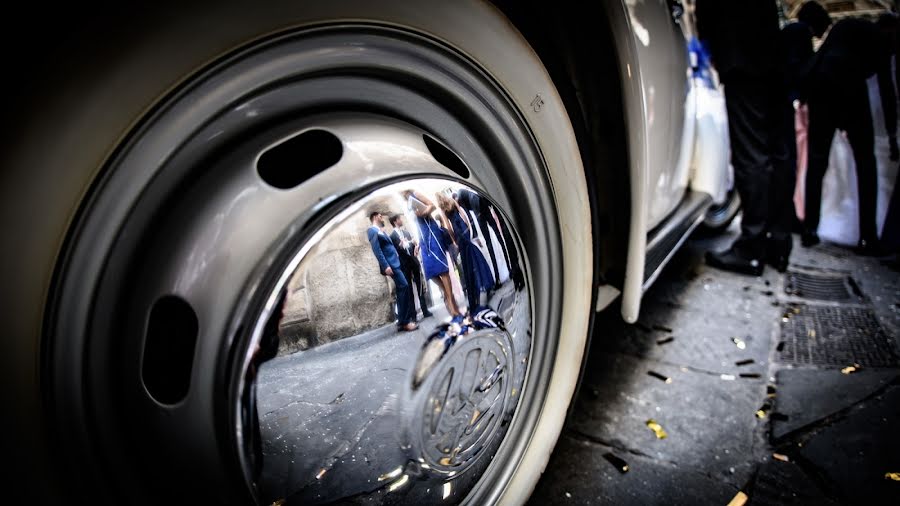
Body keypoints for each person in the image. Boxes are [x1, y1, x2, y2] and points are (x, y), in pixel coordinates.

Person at [697, 0, 796, 275]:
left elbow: (709, 11)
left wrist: (713, 47)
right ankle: (778, 241)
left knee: (751, 155)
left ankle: (751, 248)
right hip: (772, 54)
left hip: (741, 54)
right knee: (779, 153)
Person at [802, 11, 898, 255]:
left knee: (817, 160)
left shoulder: (848, 27)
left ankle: (809, 228)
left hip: (822, 85)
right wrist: (892, 134)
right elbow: (886, 88)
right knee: (866, 162)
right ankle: (868, 236)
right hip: (850, 89)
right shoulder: (880, 40)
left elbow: (821, 56)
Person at [402, 190, 462, 317]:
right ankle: (447, 294)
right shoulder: (407, 203)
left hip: (433, 235)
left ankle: (451, 303)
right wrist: (418, 243)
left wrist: (424, 212)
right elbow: (417, 225)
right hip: (423, 238)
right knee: (430, 271)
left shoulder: (416, 194)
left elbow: (432, 205)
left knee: (442, 269)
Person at [436, 192, 494, 313]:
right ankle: (485, 281)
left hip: (458, 232)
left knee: (468, 260)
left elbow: (448, 226)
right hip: (463, 227)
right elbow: (462, 213)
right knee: (474, 253)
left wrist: (454, 240)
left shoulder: (442, 208)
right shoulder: (452, 201)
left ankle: (477, 290)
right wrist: (468, 227)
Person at [367, 211, 417, 331]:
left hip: (395, 262)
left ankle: (401, 320)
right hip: (390, 265)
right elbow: (377, 250)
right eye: (380, 216)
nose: (382, 217)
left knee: (401, 289)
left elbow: (388, 246)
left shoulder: (380, 230)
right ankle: (405, 322)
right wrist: (385, 266)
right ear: (374, 217)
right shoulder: (372, 231)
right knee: (404, 286)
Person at [389, 213, 433, 319]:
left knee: (420, 286)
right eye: (399, 218)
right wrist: (399, 246)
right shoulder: (392, 236)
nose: (401, 220)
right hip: (404, 264)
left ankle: (425, 310)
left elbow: (413, 245)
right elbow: (394, 251)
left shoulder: (406, 232)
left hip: (413, 261)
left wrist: (416, 246)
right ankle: (413, 315)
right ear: (395, 221)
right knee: (409, 289)